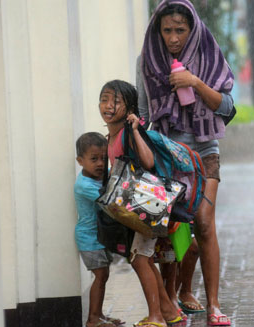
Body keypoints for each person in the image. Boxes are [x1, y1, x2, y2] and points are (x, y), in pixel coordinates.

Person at [136, 1, 234, 325]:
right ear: (158, 30)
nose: (174, 38)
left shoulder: (208, 53)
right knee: (172, 228)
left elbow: (228, 107)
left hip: (205, 151)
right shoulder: (147, 60)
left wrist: (194, 82)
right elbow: (145, 112)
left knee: (204, 222)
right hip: (168, 153)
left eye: (180, 30)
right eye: (167, 30)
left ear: (192, 29)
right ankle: (174, 295)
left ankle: (214, 306)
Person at [98, 80, 184, 327]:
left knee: (140, 259)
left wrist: (135, 130)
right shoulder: (111, 135)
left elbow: (147, 162)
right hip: (135, 209)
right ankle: (168, 312)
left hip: (148, 207)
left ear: (130, 107)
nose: (109, 106)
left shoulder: (128, 131)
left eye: (117, 101)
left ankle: (156, 317)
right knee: (141, 258)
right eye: (104, 99)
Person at [74, 132, 124, 327]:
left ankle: (99, 315)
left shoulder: (97, 178)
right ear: (80, 160)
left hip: (99, 237)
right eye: (93, 159)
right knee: (101, 275)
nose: (100, 164)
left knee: (103, 275)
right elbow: (109, 200)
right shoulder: (84, 185)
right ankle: (93, 318)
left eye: (104, 158)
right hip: (89, 238)